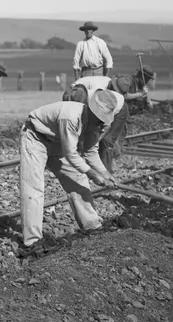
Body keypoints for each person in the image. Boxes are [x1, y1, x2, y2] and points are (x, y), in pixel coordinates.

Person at [18, 89, 122, 257]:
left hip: (58, 143)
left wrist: (104, 172)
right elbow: (71, 154)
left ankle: (92, 225)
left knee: (78, 179)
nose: (101, 122)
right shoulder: (71, 117)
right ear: (92, 111)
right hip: (35, 138)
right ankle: (32, 241)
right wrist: (93, 174)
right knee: (34, 189)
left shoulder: (96, 124)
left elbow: (90, 152)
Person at [66, 74, 145, 172]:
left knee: (107, 141)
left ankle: (106, 171)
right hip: (83, 93)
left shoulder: (103, 100)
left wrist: (95, 141)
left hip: (120, 111)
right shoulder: (96, 92)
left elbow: (107, 126)